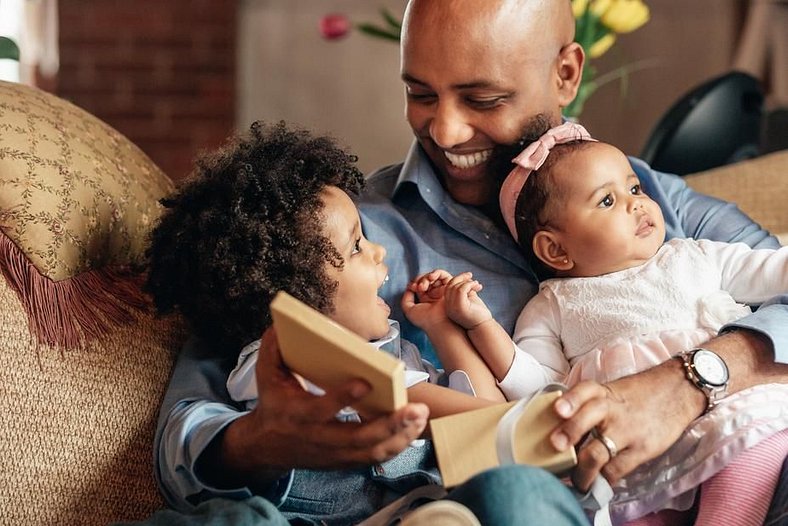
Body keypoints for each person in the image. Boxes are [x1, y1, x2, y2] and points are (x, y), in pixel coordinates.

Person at [153, 0, 788, 523]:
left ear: (566, 74)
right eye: (421, 93)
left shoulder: (650, 199)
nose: (446, 131)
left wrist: (692, 378)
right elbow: (191, 423)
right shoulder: (337, 235)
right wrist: (257, 443)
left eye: (483, 99)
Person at [146, 120, 582, 524]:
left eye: (484, 98)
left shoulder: (398, 351)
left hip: (415, 508)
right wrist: (533, 425)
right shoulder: (278, 361)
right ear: (294, 296)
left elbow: (479, 436)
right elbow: (418, 403)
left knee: (507, 490)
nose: (378, 252)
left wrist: (443, 329)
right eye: (356, 246)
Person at [409, 121, 788, 525]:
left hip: (725, 407)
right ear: (554, 249)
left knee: (755, 442)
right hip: (629, 452)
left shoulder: (696, 256)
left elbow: (771, 269)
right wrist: (481, 323)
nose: (636, 203)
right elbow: (537, 388)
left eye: (635, 189)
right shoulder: (551, 305)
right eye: (607, 201)